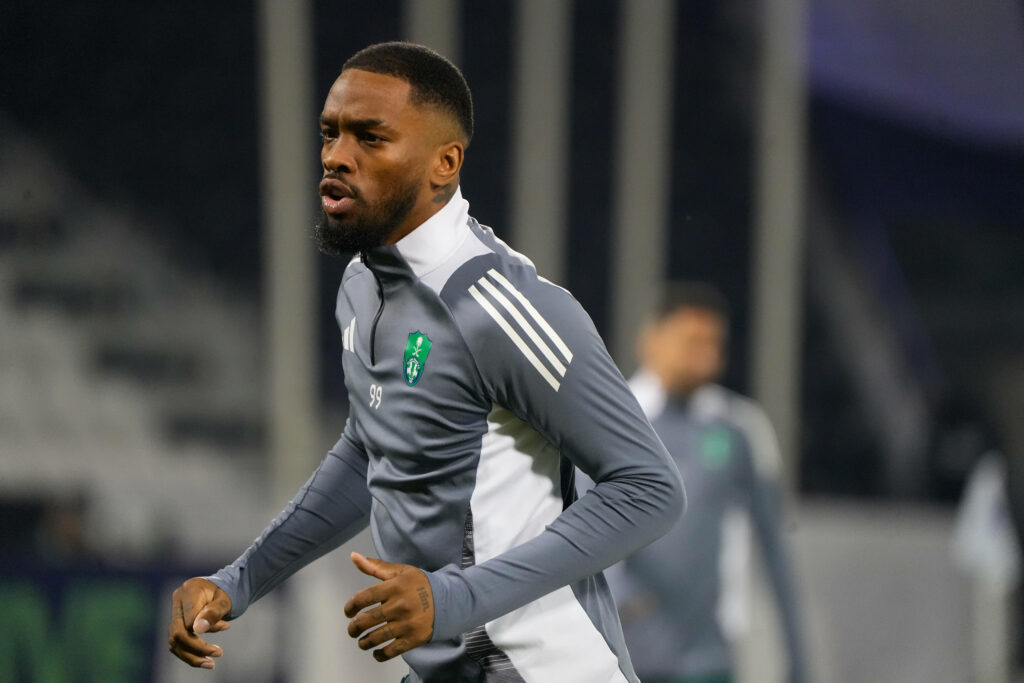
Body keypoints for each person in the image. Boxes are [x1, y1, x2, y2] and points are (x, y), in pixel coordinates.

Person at [166, 41, 684, 682]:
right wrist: (238, 581)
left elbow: (649, 488)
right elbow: (371, 452)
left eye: (370, 138)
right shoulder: (361, 285)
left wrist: (452, 598)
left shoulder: (502, 308)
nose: (334, 157)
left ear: (445, 163)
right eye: (329, 134)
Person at [610, 282, 807, 683]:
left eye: (713, 343)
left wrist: (798, 659)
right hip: (622, 651)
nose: (705, 355)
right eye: (691, 341)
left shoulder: (739, 429)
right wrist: (621, 598)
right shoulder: (612, 420)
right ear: (652, 341)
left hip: (706, 655)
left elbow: (774, 548)